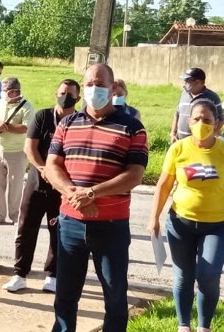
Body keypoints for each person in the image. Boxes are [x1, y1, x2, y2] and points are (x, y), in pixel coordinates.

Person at [46, 63, 148, 332]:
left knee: (115, 297)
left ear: (113, 88)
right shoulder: (67, 123)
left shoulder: (133, 128)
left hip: (111, 226)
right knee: (65, 295)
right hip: (70, 223)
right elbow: (53, 165)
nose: (94, 88)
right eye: (89, 83)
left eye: (99, 83)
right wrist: (75, 195)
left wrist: (92, 193)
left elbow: (135, 175)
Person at [148, 99, 224, 332]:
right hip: (180, 222)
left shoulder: (222, 150)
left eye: (207, 120)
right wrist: (154, 218)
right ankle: (184, 326)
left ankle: (204, 327)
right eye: (196, 119)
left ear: (218, 124)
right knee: (183, 276)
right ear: (188, 122)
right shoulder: (178, 148)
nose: (202, 123)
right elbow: (163, 185)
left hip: (216, 225)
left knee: (208, 274)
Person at [2, 79, 81, 293]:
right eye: (63, 92)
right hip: (37, 183)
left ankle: (53, 275)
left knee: (58, 231)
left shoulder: (80, 121)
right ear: (56, 93)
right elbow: (30, 147)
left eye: (71, 94)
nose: (66, 96)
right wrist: (43, 168)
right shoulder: (43, 116)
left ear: (78, 98)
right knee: (26, 228)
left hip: (63, 187)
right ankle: (20, 273)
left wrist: (59, 176)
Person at [0, 77, 35, 225]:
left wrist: (5, 126)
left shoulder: (27, 107)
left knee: (16, 185)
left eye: (4, 90)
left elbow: (26, 128)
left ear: (13, 91)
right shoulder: (0, 103)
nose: (1, 93)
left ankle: (15, 215)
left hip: (17, 152)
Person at [171, 68, 222, 143]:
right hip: (180, 141)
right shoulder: (184, 94)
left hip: (200, 143)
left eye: (187, 80)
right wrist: (173, 133)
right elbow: (177, 115)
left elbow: (220, 119)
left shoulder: (212, 97)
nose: (184, 83)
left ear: (197, 82)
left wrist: (212, 135)